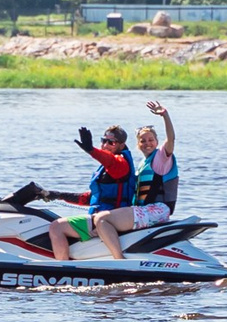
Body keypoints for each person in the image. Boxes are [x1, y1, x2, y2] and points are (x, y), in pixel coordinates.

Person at [88, 101, 178, 262]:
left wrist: (165, 115)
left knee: (102, 219)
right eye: (143, 141)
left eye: (151, 140)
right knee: (100, 222)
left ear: (157, 142)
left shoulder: (161, 158)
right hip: (146, 211)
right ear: (138, 144)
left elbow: (171, 139)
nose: (147, 143)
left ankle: (119, 261)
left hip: (157, 210)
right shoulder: (143, 164)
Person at [47, 123, 134, 262]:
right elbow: (91, 197)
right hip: (101, 216)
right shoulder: (109, 167)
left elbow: (110, 161)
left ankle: (62, 268)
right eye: (103, 141)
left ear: (121, 146)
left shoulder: (121, 164)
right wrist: (59, 195)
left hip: (109, 220)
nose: (105, 145)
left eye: (111, 142)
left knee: (56, 226)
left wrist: (90, 149)